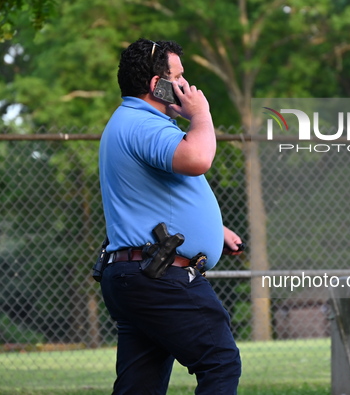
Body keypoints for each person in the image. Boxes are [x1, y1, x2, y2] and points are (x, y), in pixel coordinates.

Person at [98, 38, 242, 395]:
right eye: (178, 78)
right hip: (159, 277)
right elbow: (197, 159)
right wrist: (201, 114)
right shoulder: (143, 124)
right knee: (220, 361)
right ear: (156, 85)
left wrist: (212, 228)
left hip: (137, 274)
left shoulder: (128, 122)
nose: (185, 86)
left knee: (139, 387)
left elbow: (154, 194)